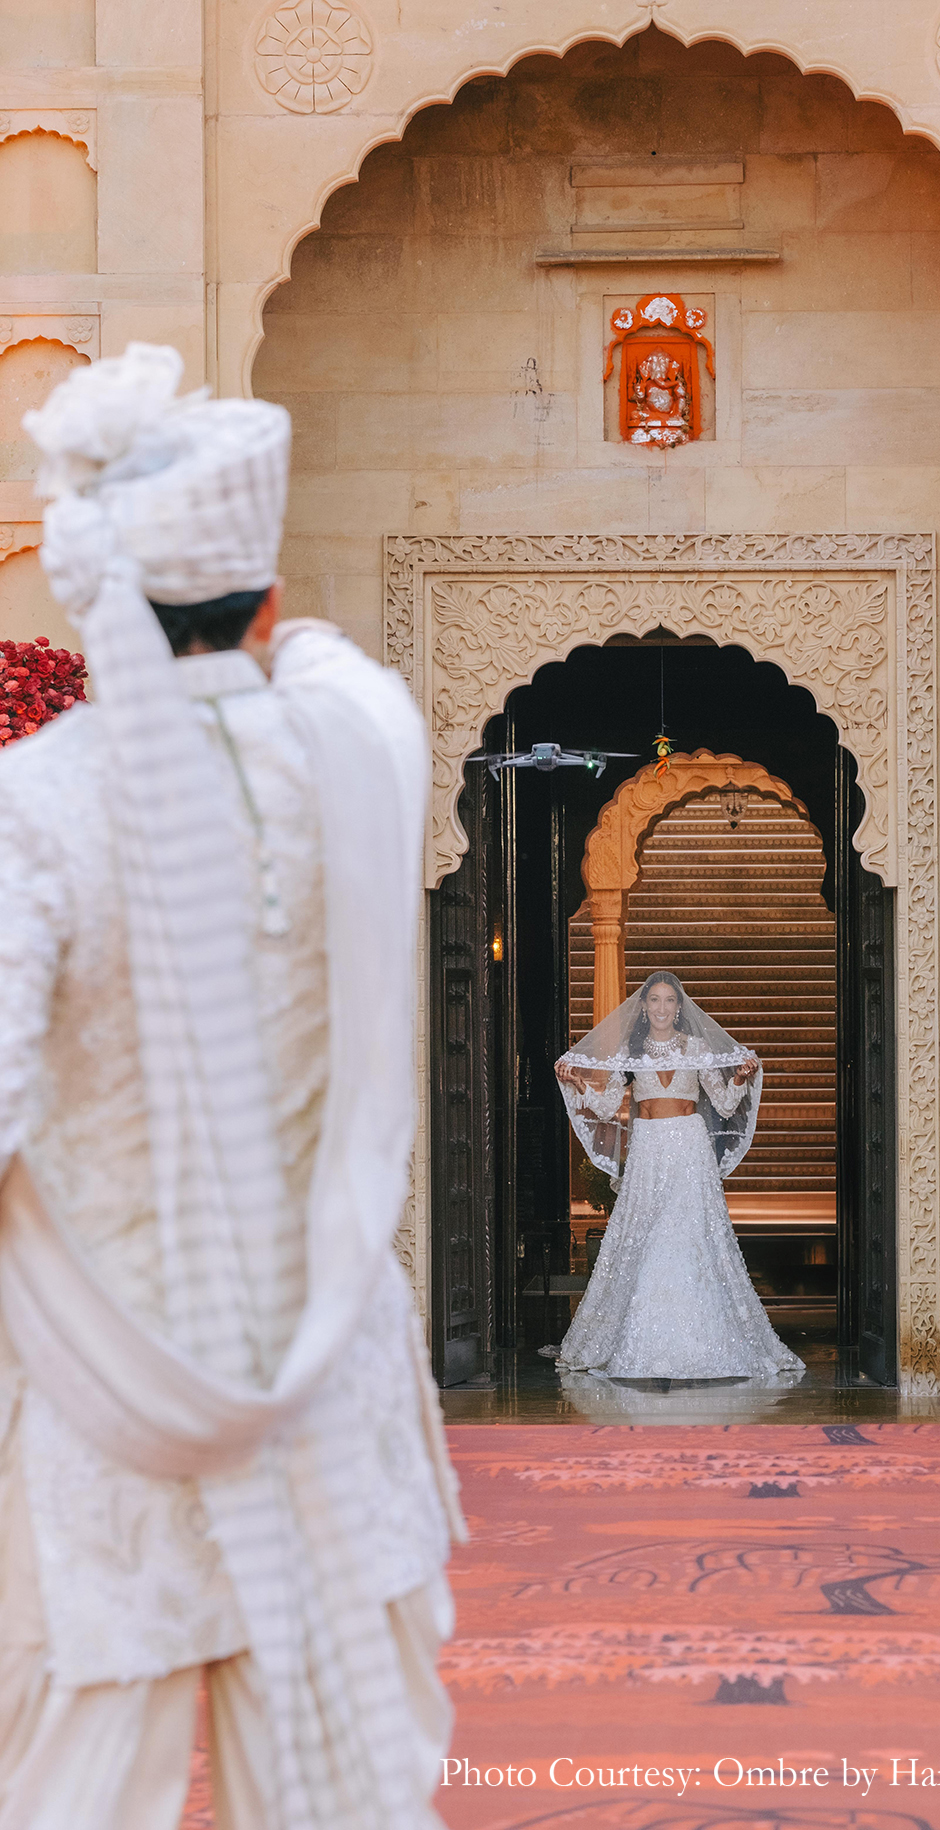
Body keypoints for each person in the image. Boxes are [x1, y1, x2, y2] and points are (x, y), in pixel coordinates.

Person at [0, 344, 462, 1830]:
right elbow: (318, 661)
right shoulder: (357, 750)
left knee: (77, 1779)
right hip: (319, 1379)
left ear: (95, 603)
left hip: (112, 1392)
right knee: (346, 1782)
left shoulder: (39, 805)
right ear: (264, 603)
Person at [554, 969, 804, 1381]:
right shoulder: (631, 1051)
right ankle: (644, 1339)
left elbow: (723, 1104)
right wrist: (579, 1083)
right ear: (644, 1007)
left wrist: (741, 1077)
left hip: (690, 1148)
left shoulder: (698, 1047)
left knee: (691, 1236)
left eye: (670, 1000)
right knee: (645, 1237)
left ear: (679, 1007)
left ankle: (702, 1339)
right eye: (655, 1000)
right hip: (649, 1149)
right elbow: (605, 1107)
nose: (662, 1008)